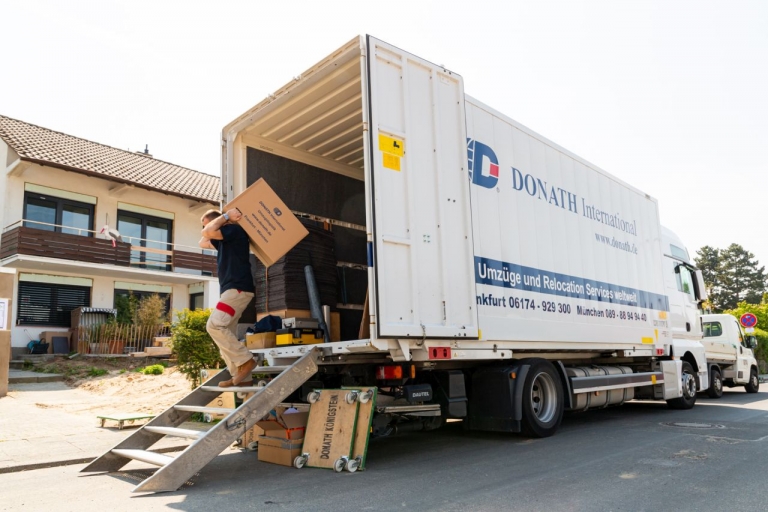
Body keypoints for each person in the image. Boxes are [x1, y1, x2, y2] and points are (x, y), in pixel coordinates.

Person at [199, 208, 256, 388]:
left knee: (214, 325)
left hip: (237, 289)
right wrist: (216, 223)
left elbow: (207, 232)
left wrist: (225, 217)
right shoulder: (224, 240)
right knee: (226, 331)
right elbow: (203, 241)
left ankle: (246, 361)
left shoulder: (234, 230)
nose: (205, 228)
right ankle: (243, 378)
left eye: (207, 223)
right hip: (233, 290)